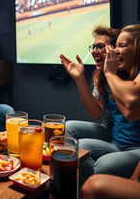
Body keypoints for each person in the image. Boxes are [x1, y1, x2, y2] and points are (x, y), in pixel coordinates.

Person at [60, 25, 140, 186]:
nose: (95, 51)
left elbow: (129, 111)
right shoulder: (103, 76)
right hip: (115, 139)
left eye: (100, 46)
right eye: (93, 47)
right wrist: (79, 78)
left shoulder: (126, 75)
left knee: (98, 162)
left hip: (135, 147)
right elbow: (96, 113)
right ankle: (68, 184)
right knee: (71, 134)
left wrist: (111, 72)